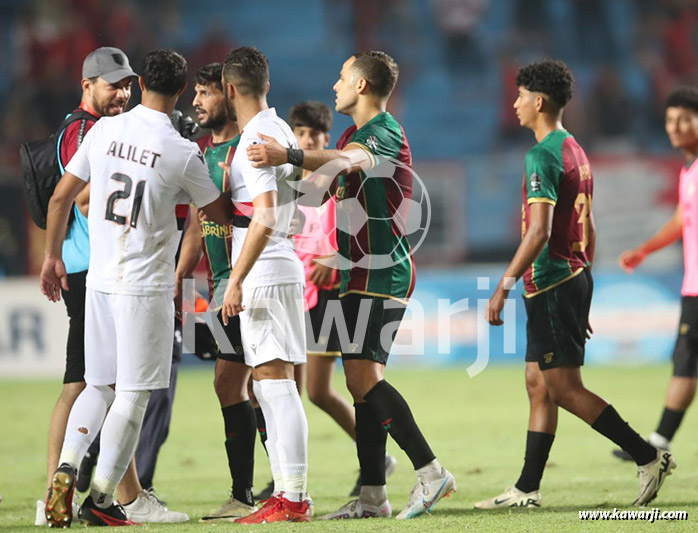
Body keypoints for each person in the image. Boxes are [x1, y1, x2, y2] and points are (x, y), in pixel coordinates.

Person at [246, 51, 455, 520]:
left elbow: (347, 162)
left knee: (363, 378)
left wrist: (290, 153)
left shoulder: (380, 132)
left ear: (362, 86)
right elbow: (314, 191)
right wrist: (253, 184)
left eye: (342, 76)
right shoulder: (350, 135)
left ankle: (431, 471)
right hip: (357, 273)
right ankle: (372, 496)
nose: (335, 83)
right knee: (358, 383)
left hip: (383, 272)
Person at [39, 48, 232, 527]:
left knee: (99, 384)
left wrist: (51, 257)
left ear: (141, 82)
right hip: (145, 287)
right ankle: (104, 501)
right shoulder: (183, 150)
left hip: (100, 281)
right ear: (182, 90)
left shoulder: (104, 129)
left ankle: (67, 467)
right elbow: (219, 214)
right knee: (135, 393)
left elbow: (63, 195)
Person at [475, 59, 676, 509]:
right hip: (571, 277)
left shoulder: (542, 154)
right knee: (537, 382)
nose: (515, 104)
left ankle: (647, 456)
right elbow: (592, 226)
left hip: (550, 281)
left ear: (538, 100)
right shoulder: (575, 150)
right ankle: (527, 489)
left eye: (520, 95)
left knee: (563, 388)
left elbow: (539, 231)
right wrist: (584, 282)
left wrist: (504, 284)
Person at [34, 46, 140, 526]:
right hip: (93, 270)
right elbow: (79, 200)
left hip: (86, 267)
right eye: (112, 85)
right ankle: (55, 491)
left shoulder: (75, 127)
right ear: (87, 84)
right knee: (84, 383)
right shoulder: (91, 130)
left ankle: (127, 492)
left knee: (107, 384)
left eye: (126, 85)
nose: (121, 93)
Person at [219, 46, 311, 523]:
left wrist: (235, 280)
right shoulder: (277, 129)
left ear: (229, 90)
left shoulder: (255, 135)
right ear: (267, 83)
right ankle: (286, 495)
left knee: (275, 385)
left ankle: (293, 498)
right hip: (281, 267)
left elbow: (267, 213)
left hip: (266, 270)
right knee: (271, 384)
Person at [288, 100, 397, 497]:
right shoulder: (294, 186)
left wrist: (332, 260)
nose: (308, 140)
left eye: (315, 135)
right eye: (301, 133)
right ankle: (287, 474)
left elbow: (353, 228)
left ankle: (371, 458)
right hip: (299, 294)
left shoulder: (335, 179)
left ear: (325, 138)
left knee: (318, 389)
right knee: (302, 391)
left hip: (330, 293)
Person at [179, 62, 258, 522]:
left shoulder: (247, 150)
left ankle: (274, 492)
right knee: (236, 384)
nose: (196, 102)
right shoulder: (202, 154)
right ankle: (253, 493)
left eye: (206, 93)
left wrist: (240, 280)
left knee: (256, 384)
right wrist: (180, 279)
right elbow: (196, 222)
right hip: (221, 287)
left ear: (228, 95)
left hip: (246, 285)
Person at [613, 87, 698, 460]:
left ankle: (658, 444)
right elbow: (683, 219)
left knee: (685, 362)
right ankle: (659, 442)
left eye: (684, 118)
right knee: (685, 362)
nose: (675, 126)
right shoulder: (688, 170)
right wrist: (645, 249)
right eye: (670, 120)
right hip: (692, 287)